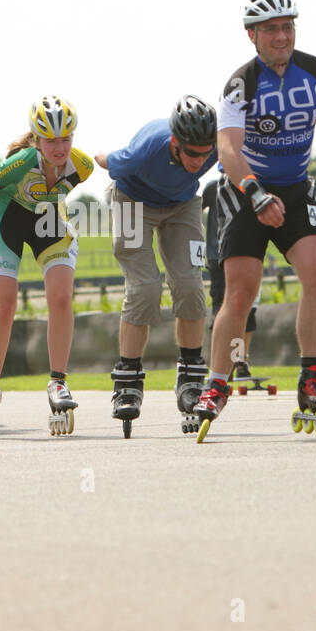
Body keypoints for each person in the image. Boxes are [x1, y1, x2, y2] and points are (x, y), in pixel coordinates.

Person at [193, 0, 316, 441]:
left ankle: (311, 375)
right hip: (246, 188)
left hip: (296, 186)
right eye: (271, 30)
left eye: (288, 27)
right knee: (241, 292)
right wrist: (253, 191)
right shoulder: (241, 83)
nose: (282, 36)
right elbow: (226, 145)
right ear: (252, 36)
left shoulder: (314, 71)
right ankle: (217, 382)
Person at [93, 96, 219, 435]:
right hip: (133, 201)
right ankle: (127, 380)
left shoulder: (216, 145)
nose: (199, 160)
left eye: (206, 153)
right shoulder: (146, 149)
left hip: (182, 205)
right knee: (145, 287)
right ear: (175, 143)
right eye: (192, 153)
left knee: (191, 286)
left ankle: (191, 376)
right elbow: (105, 160)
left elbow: (237, 161)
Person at [0, 96, 93, 437]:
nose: (59, 147)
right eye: (51, 141)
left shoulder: (82, 165)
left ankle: (58, 382)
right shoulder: (22, 161)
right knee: (5, 303)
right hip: (7, 219)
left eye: (65, 139)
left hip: (49, 223)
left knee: (60, 298)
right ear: (37, 140)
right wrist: (5, 181)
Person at [201, 177, 259, 380]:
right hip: (218, 255)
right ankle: (221, 362)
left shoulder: (255, 184)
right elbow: (193, 211)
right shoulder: (212, 187)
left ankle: (239, 359)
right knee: (222, 309)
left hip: (247, 252)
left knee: (247, 309)